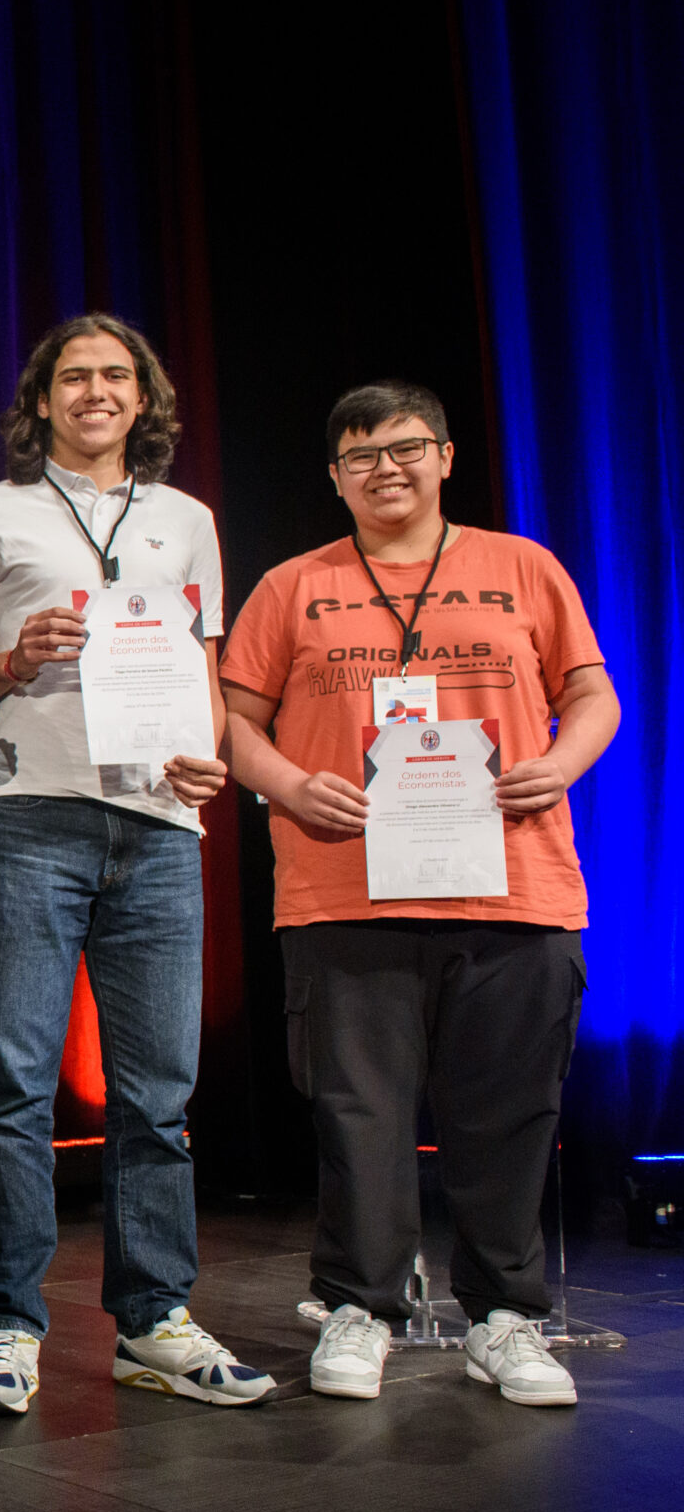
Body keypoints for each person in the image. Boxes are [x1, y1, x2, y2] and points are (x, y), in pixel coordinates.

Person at [220, 380, 616, 1406]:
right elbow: (227, 716)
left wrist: (562, 762)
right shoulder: (291, 585)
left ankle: (505, 1318)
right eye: (359, 455)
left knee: (508, 1113)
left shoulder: (521, 566)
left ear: (444, 456)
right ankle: (360, 1306)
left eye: (404, 448)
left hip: (513, 886)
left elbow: (590, 690)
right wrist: (289, 782)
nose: (383, 468)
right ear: (334, 477)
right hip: (344, 889)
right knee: (358, 1115)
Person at [0, 314, 274, 1414]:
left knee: (156, 1095)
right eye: (72, 377)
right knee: (13, 1087)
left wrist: (209, 758)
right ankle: (10, 1324)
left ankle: (153, 1319)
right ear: (40, 401)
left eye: (114, 377)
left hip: (158, 827)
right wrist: (6, 653)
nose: (93, 391)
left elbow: (208, 663)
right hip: (32, 811)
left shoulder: (187, 519)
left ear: (142, 401)